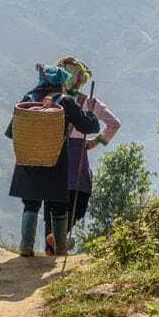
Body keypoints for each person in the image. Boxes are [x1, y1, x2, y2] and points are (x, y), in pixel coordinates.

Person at [6, 63, 101, 256]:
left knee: (31, 204)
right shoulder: (64, 101)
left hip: (29, 161)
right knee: (59, 206)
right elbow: (90, 127)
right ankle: (60, 248)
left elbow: (12, 132)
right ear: (61, 83)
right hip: (55, 162)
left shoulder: (27, 100)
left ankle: (26, 246)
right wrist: (90, 110)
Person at [42, 56, 120, 254]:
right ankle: (58, 242)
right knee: (77, 202)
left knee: (52, 204)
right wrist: (95, 142)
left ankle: (52, 246)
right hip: (76, 159)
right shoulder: (89, 104)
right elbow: (113, 124)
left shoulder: (51, 99)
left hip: (53, 157)